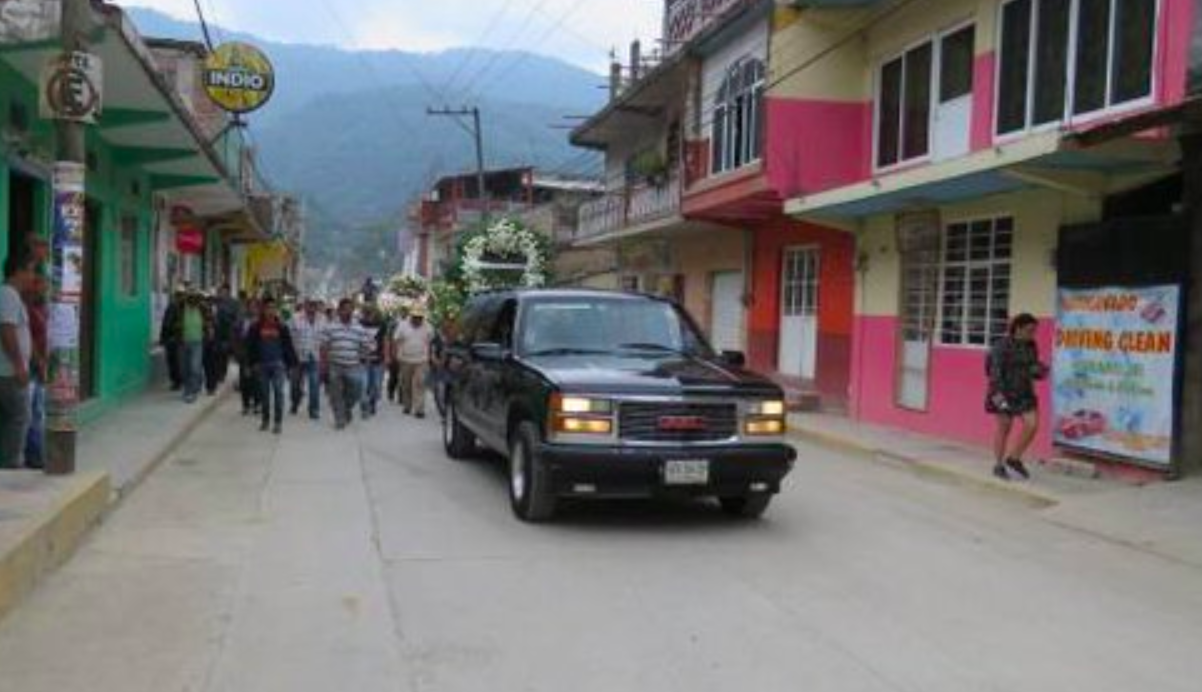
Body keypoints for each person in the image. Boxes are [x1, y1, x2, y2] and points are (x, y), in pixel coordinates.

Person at [986, 313, 1049, 481]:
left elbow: (1032, 366)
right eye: (1029, 330)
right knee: (1004, 428)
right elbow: (994, 374)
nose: (1032, 334)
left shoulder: (1031, 345)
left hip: (1024, 393)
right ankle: (999, 465)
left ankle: (1014, 458)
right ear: (1018, 328)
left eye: (1035, 330)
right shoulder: (1001, 346)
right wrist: (999, 399)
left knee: (1032, 425)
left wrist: (1040, 370)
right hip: (1003, 392)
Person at [0, 254, 35, 469]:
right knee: (20, 417)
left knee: (9, 419)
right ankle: (11, 464)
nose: (32, 276)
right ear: (18, 271)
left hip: (9, 370)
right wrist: (20, 365)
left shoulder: (12, 295)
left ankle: (7, 463)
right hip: (9, 372)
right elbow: (6, 330)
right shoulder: (8, 294)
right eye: (30, 271)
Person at [245, 297, 299, 435]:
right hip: (261, 365)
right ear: (263, 309)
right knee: (264, 395)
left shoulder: (281, 327)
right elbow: (250, 347)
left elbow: (288, 346)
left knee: (279, 393)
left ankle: (278, 422)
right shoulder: (256, 327)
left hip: (278, 365)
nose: (271, 311)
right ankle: (265, 420)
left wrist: (292, 365)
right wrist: (250, 364)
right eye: (268, 308)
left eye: (273, 308)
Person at [321, 298, 372, 430]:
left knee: (356, 390)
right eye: (345, 309)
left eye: (351, 309)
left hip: (353, 365)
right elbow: (324, 347)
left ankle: (346, 408)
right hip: (335, 365)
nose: (348, 311)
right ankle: (340, 419)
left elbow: (365, 346)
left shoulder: (359, 328)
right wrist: (323, 365)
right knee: (335, 394)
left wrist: (365, 362)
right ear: (339, 310)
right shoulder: (330, 327)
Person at [22, 268, 48, 469]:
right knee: (29, 414)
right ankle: (30, 456)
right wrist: (39, 362)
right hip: (30, 367)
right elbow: (28, 339)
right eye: (40, 284)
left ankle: (36, 454)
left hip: (40, 368)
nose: (44, 289)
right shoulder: (26, 308)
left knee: (38, 412)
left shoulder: (42, 308)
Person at [393, 306, 433, 418]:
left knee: (420, 383)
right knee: (406, 383)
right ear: (411, 316)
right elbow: (396, 340)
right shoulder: (402, 325)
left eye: (420, 317)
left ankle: (419, 409)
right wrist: (395, 354)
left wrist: (430, 357)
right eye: (415, 317)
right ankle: (407, 405)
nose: (417, 319)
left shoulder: (428, 327)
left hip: (422, 359)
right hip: (405, 359)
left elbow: (430, 342)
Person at [289, 299, 326, 420]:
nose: (312, 308)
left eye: (314, 306)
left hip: (314, 356)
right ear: (305, 306)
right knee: (295, 384)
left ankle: (313, 409)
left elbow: (325, 339)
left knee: (314, 384)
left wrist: (324, 358)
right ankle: (295, 402)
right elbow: (288, 337)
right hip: (297, 356)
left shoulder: (322, 319)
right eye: (309, 305)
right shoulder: (295, 318)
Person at [179, 289, 212, 404]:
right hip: (183, 342)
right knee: (184, 368)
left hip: (198, 342)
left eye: (195, 298)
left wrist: (208, 332)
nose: (192, 300)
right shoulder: (181, 308)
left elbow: (209, 321)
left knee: (194, 367)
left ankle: (192, 392)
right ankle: (189, 387)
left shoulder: (202, 309)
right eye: (190, 297)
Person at [360, 305, 388, 418]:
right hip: (363, 359)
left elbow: (386, 341)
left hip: (378, 359)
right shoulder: (359, 323)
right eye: (366, 313)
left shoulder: (382, 324)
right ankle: (365, 405)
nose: (368, 315)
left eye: (370, 312)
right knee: (364, 384)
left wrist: (387, 356)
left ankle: (372, 402)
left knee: (376, 385)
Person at [160, 288, 186, 391]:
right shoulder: (173, 306)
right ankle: (177, 381)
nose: (180, 297)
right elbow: (166, 323)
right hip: (174, 338)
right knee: (174, 361)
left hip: (177, 339)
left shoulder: (181, 307)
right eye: (179, 295)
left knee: (175, 361)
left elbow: (166, 323)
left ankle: (178, 381)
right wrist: (163, 337)